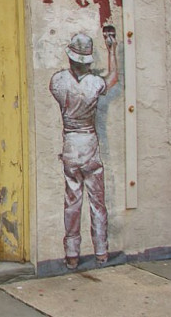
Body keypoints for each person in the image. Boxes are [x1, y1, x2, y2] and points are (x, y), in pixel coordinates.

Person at [49, 30, 118, 270]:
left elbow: (57, 93)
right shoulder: (95, 83)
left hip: (70, 143)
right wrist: (111, 50)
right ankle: (101, 251)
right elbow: (113, 78)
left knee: (72, 201)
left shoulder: (58, 81)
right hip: (89, 142)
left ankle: (72, 255)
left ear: (70, 58)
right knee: (97, 202)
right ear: (87, 60)